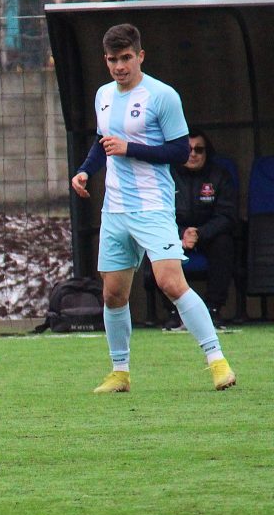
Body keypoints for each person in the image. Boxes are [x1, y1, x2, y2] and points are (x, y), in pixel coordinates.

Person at [70, 24, 236, 393]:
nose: (119, 66)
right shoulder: (103, 95)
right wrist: (84, 171)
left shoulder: (162, 96)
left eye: (126, 58)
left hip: (152, 206)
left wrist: (130, 148)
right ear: (106, 60)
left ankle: (217, 361)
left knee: (170, 282)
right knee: (113, 293)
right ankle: (120, 372)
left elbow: (179, 151)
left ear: (140, 56)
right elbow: (102, 143)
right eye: (112, 60)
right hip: (115, 210)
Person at [151, 129, 238, 329]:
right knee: (157, 243)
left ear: (207, 152)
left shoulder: (220, 175)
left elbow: (227, 215)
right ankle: (174, 313)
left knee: (224, 243)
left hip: (208, 235)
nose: (193, 154)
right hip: (175, 235)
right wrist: (181, 234)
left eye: (199, 150)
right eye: (187, 149)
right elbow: (155, 213)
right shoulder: (165, 176)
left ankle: (213, 310)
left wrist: (200, 233)